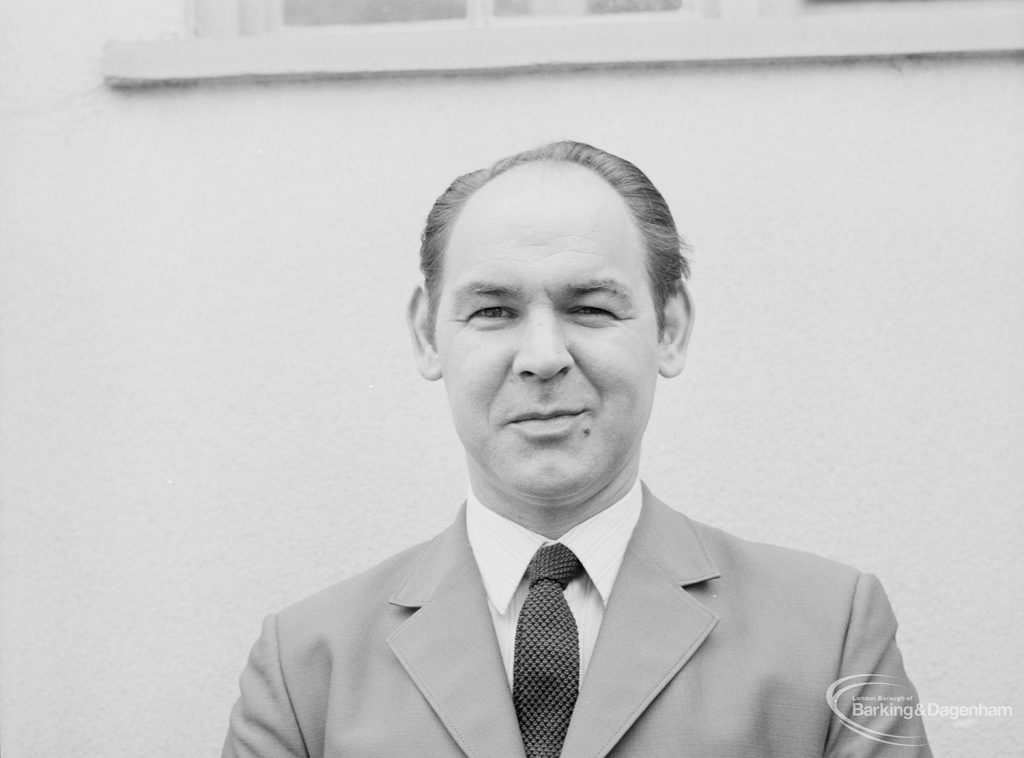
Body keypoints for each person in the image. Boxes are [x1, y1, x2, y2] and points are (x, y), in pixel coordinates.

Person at [222, 141, 931, 757]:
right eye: (494, 310)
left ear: (672, 330)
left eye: (590, 308)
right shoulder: (304, 667)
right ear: (426, 336)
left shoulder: (832, 630)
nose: (541, 356)